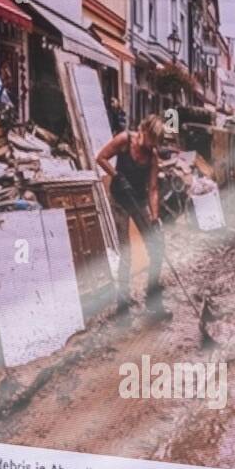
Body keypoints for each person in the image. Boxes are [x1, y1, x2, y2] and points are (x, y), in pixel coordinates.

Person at [95, 115, 170, 320]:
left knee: (156, 247)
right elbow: (100, 158)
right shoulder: (124, 140)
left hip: (138, 200)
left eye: (155, 143)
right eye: (150, 140)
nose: (151, 146)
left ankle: (153, 300)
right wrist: (117, 176)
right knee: (126, 253)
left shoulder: (152, 156)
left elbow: (153, 189)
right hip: (120, 199)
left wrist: (154, 217)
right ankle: (122, 305)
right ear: (143, 130)